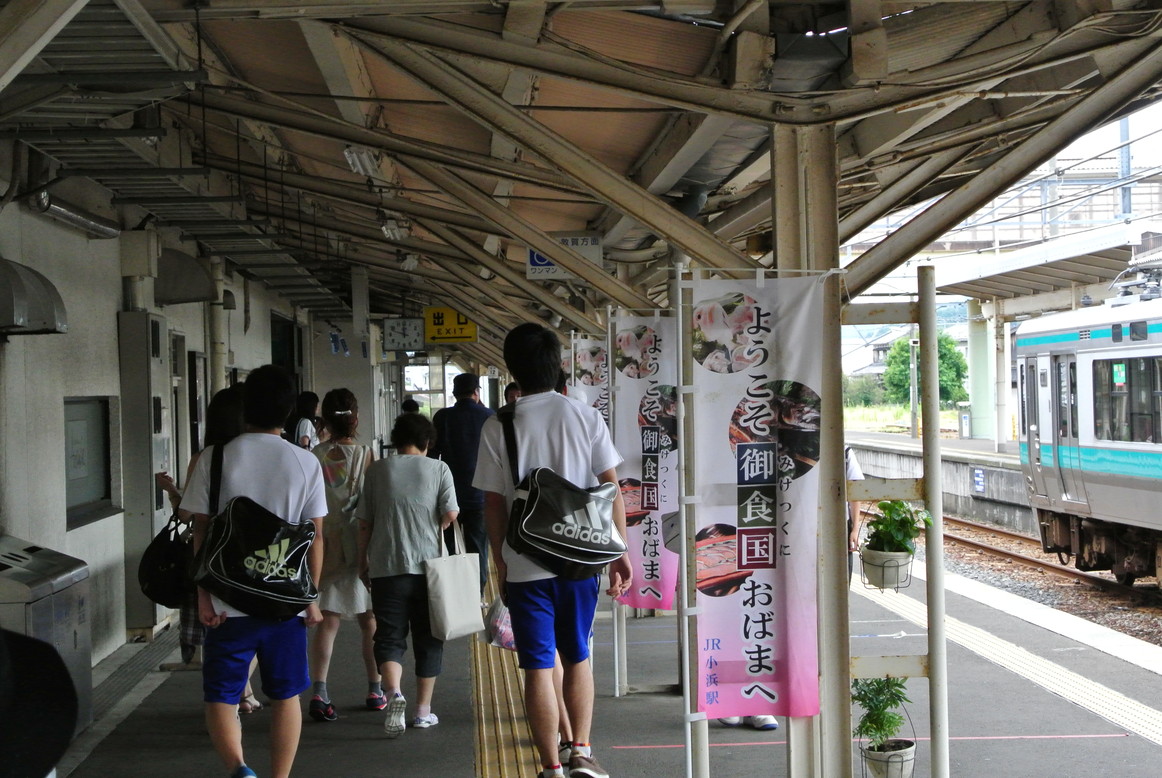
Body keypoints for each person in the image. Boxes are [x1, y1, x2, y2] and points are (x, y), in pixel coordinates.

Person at [474, 322, 632, 778]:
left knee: (538, 667)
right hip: (581, 557)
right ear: (558, 365)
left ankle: (550, 766)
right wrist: (619, 551)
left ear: (512, 370)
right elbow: (611, 488)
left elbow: (492, 504)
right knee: (578, 654)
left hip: (526, 562)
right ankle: (581, 750)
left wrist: (501, 562)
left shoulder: (499, 423)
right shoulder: (584, 416)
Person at [183, 365, 327, 778]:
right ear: (290, 411)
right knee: (286, 697)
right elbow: (316, 537)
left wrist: (203, 594)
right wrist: (311, 597)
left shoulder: (214, 458)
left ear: (245, 406)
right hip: (284, 602)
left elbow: (201, 531)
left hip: (227, 599)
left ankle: (239, 768)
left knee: (221, 696)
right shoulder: (305, 462)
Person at [156, 385, 263, 714]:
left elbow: (187, 516)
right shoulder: (263, 456)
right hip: (258, 554)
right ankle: (243, 692)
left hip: (213, 557)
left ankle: (237, 695)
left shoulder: (205, 458)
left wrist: (171, 491)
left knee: (223, 628)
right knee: (258, 627)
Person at [356, 412, 458, 739]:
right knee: (429, 639)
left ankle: (394, 693)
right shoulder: (439, 469)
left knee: (388, 637)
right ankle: (423, 712)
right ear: (427, 442)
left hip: (387, 566)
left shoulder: (377, 470)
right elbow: (450, 513)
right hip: (430, 570)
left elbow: (364, 523)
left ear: (396, 441)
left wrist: (362, 561)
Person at [307, 388, 383, 722]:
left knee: (328, 620)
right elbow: (374, 499)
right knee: (370, 620)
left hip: (324, 543)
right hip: (362, 542)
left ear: (324, 419)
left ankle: (320, 692)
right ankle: (375, 689)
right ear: (355, 418)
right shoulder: (366, 454)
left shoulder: (314, 455)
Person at [429, 373, 494, 594]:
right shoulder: (489, 416)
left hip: (448, 496)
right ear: (476, 392)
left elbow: (432, 456)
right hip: (480, 495)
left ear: (455, 393)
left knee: (449, 549)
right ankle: (477, 596)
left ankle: (452, 596)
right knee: (478, 550)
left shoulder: (443, 417)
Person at [846, 447, 867, 581]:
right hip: (840, 524)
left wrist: (854, 529)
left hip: (841, 524)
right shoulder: (844, 451)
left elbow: (855, 491)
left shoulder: (845, 452)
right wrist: (854, 529)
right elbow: (855, 491)